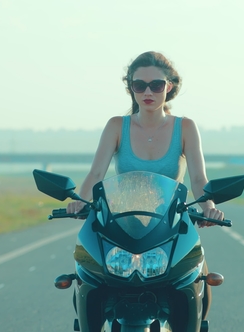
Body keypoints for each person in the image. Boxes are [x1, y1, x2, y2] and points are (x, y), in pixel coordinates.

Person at [66, 51, 224, 320]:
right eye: (139, 85)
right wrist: (80, 201)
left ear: (169, 87)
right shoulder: (117, 126)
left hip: (171, 223)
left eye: (156, 85)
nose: (147, 91)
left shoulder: (185, 127)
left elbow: (198, 179)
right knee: (89, 276)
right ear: (131, 88)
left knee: (194, 278)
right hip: (121, 222)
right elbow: (95, 174)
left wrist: (209, 206)